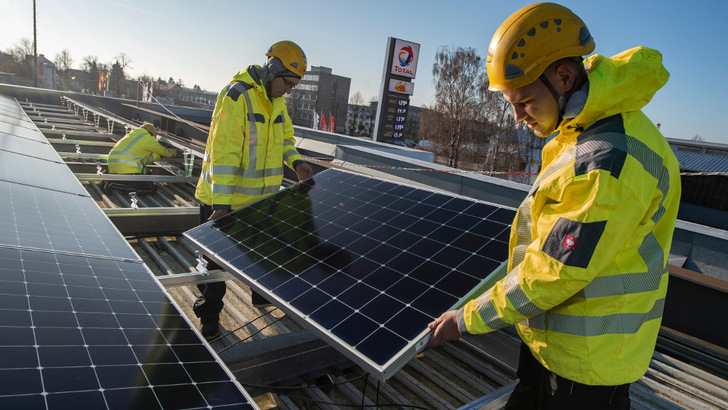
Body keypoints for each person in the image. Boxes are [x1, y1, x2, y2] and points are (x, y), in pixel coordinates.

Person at [426, 3, 681, 409]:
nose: (516, 117)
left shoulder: (607, 160)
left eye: (524, 101)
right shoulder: (582, 126)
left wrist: (467, 319)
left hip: (589, 365)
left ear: (563, 76)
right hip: (551, 340)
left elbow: (555, 273)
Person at [192, 40, 314, 341]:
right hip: (223, 201)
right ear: (273, 70)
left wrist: (296, 163)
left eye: (293, 86)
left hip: (258, 201)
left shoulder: (277, 102)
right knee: (215, 270)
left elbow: (286, 139)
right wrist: (220, 205)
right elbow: (224, 155)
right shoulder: (236, 96)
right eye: (287, 83)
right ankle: (209, 319)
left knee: (262, 254)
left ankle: (260, 296)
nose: (289, 91)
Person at [103, 123, 177, 196]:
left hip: (114, 166)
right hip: (127, 170)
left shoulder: (132, 135)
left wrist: (159, 155)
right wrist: (175, 151)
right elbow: (166, 153)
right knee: (150, 188)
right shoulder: (147, 138)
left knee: (144, 182)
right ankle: (114, 184)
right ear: (153, 134)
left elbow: (146, 159)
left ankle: (109, 179)